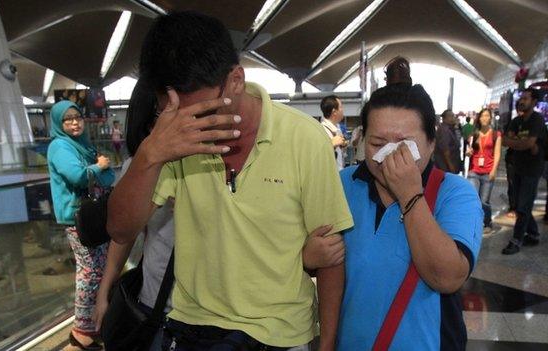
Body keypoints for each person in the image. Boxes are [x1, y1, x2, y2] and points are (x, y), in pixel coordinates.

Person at [106, 11, 353, 351]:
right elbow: (120, 229)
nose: (192, 126)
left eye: (205, 112)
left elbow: (330, 256)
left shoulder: (303, 138)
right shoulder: (172, 141)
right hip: (192, 329)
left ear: (236, 78)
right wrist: (151, 154)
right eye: (174, 113)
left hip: (280, 336)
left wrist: (326, 345)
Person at [337, 83, 482, 350]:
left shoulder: (455, 193)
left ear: (430, 144)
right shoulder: (343, 184)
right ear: (362, 141)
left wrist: (411, 195)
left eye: (405, 146)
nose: (389, 157)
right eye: (378, 144)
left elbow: (448, 278)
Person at [47, 100, 115, 350]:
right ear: (58, 123)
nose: (74, 122)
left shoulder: (83, 145)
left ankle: (95, 323)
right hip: (77, 218)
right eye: (68, 119)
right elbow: (77, 175)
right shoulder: (59, 146)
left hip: (95, 214)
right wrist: (99, 166)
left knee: (100, 270)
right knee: (89, 272)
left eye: (77, 117)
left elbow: (109, 176)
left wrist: (99, 169)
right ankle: (82, 330)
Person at [501, 88, 547, 255]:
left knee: (523, 205)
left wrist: (521, 142)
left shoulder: (537, 120)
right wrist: (524, 143)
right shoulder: (516, 121)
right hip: (518, 167)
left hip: (532, 169)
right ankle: (533, 234)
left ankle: (516, 240)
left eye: (526, 98)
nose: (521, 101)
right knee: (522, 204)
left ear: (534, 101)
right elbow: (505, 141)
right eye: (521, 98)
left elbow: (528, 144)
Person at [466, 108, 502, 234]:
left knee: (484, 201)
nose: (485, 118)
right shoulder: (474, 134)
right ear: (479, 118)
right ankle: (474, 222)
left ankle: (487, 222)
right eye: (482, 116)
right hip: (474, 171)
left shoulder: (496, 135)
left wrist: (494, 170)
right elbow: (468, 151)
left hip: (488, 171)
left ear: (490, 118)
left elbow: (497, 154)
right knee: (473, 198)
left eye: (487, 116)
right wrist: (468, 153)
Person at [321, 95, 348, 170]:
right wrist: (331, 145)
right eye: (341, 107)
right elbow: (316, 154)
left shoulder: (336, 128)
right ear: (334, 112)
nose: (343, 110)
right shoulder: (322, 130)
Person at [434, 109, 461, 174]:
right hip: (446, 166)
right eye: (450, 116)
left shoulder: (451, 128)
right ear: (444, 119)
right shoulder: (445, 130)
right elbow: (446, 150)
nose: (453, 118)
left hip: (449, 163)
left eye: (453, 116)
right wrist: (451, 166)